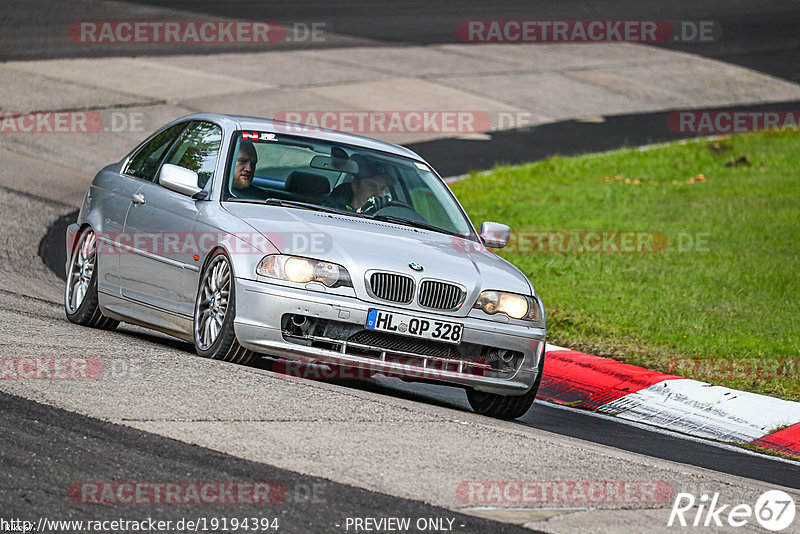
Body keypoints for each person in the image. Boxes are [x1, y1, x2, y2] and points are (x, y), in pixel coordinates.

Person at [328, 172, 395, 212]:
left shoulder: (383, 215)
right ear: (355, 186)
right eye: (371, 185)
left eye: (382, 188)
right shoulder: (333, 210)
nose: (378, 194)